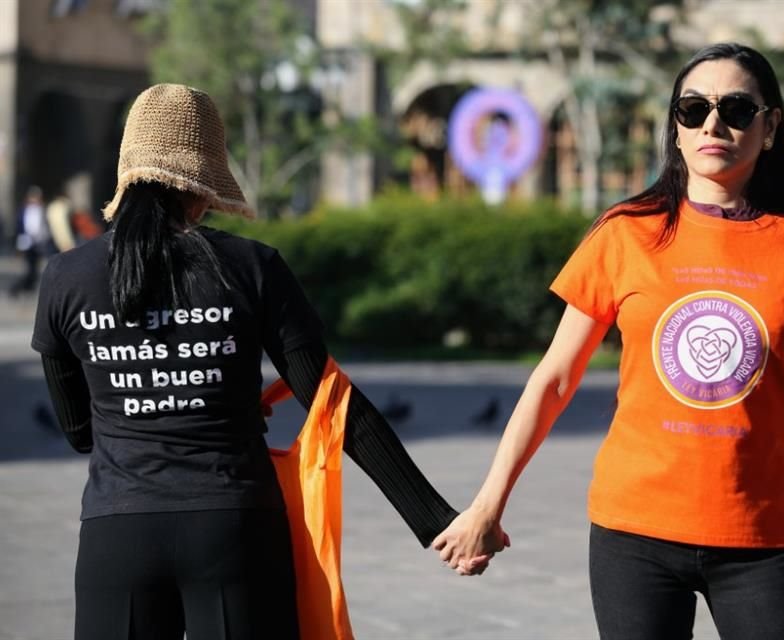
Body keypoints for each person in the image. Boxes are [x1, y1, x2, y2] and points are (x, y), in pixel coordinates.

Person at [430, 43, 784, 639]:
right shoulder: (626, 233)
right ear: (676, 129)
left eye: (736, 108)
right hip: (635, 535)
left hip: (764, 538)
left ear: (770, 127)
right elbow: (553, 379)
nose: (713, 124)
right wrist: (487, 504)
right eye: (692, 109)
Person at [31, 83, 480, 640]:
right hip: (235, 530)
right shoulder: (252, 266)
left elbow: (79, 432)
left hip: (116, 532)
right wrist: (437, 519)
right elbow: (336, 407)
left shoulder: (64, 277)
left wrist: (151, 404)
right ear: (203, 188)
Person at [9, 186, 49, 296]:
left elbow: (43, 226)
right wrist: (17, 244)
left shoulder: (42, 209)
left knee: (35, 266)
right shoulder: (23, 209)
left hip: (38, 242)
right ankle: (17, 288)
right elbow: (19, 226)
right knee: (28, 268)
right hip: (26, 241)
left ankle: (30, 287)